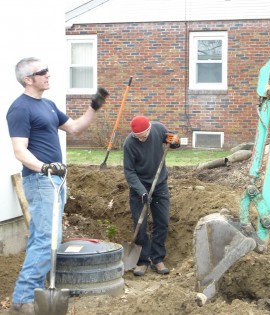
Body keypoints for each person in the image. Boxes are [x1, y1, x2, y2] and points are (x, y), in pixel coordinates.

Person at [6, 57, 109, 315]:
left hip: (56, 179)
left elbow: (74, 128)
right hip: (41, 180)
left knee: (46, 238)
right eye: (42, 72)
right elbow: (20, 151)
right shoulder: (20, 108)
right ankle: (22, 300)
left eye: (48, 70)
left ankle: (30, 294)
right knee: (46, 239)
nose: (48, 75)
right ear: (28, 79)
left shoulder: (49, 105)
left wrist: (93, 108)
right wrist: (43, 167)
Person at [123, 115, 180, 277]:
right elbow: (129, 172)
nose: (141, 139)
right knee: (139, 224)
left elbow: (173, 141)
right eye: (137, 137)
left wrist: (175, 141)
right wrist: (142, 191)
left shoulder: (158, 129)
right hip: (139, 188)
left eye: (144, 136)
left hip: (159, 184)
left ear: (149, 129)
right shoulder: (129, 144)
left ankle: (157, 258)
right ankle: (142, 260)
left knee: (162, 221)